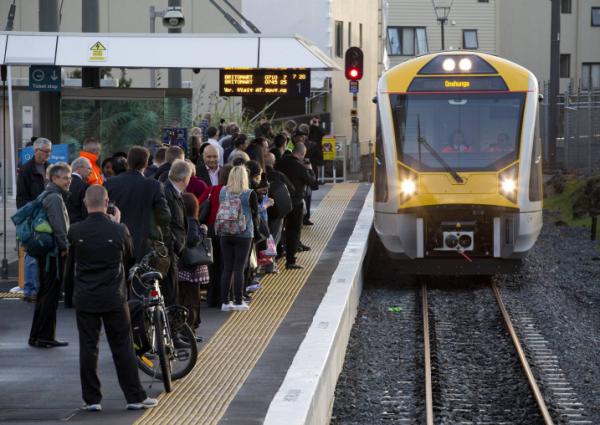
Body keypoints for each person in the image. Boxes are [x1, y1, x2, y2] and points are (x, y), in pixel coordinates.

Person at [68, 185, 157, 412]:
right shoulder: (119, 230)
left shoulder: (75, 231)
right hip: (114, 297)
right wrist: (117, 225)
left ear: (87, 203)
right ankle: (134, 396)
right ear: (107, 203)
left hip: (85, 296)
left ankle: (91, 399)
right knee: (122, 346)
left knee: (88, 347)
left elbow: (70, 263)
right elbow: (129, 256)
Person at [28, 163, 71, 348]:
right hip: (53, 253)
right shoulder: (54, 198)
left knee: (44, 293)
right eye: (64, 178)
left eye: (69, 177)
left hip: (45, 252)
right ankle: (46, 336)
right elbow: (59, 226)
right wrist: (65, 245)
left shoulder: (46, 194)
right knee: (50, 295)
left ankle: (36, 335)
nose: (68, 181)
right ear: (54, 178)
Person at [105, 146, 171, 261]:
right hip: (144, 247)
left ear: (128, 161)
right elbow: (165, 217)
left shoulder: (110, 184)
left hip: (116, 243)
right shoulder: (154, 186)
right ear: (146, 164)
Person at [217, 165, 258, 312]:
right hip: (244, 234)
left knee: (227, 267)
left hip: (225, 233)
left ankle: (225, 302)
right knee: (239, 268)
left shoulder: (222, 191)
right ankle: (239, 301)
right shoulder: (249, 193)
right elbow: (255, 214)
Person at [17, 138, 52, 302]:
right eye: (45, 151)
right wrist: (31, 214)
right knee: (31, 254)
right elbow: (21, 197)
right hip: (33, 217)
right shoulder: (26, 170)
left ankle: (41, 288)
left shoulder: (49, 168)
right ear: (36, 150)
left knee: (45, 252)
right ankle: (30, 289)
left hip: (48, 216)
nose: (48, 154)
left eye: (49, 151)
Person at [276, 143, 318, 269]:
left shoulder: (280, 162)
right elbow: (314, 184)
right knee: (293, 231)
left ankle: (274, 257)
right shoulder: (300, 167)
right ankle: (290, 260)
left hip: (278, 201)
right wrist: (310, 169)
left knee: (276, 230)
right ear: (301, 154)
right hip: (295, 203)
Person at [199, 165, 232, 308]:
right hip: (226, 230)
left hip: (211, 230)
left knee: (212, 265)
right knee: (226, 265)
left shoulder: (212, 190)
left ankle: (211, 298)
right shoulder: (234, 192)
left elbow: (198, 204)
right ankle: (224, 298)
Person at [162, 160, 194, 306]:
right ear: (185, 178)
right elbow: (166, 223)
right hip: (170, 250)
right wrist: (175, 245)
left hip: (173, 249)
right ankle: (171, 326)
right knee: (171, 293)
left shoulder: (173, 191)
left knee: (173, 291)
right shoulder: (168, 193)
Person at [178, 193, 209, 336]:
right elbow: (193, 240)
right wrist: (203, 231)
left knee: (182, 297)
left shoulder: (178, 221)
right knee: (192, 298)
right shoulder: (192, 221)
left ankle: (185, 326)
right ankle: (190, 328)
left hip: (181, 265)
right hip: (192, 267)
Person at [67, 157, 92, 224]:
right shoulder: (84, 186)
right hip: (78, 225)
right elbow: (85, 212)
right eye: (89, 168)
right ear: (80, 168)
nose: (91, 172)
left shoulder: (63, 183)